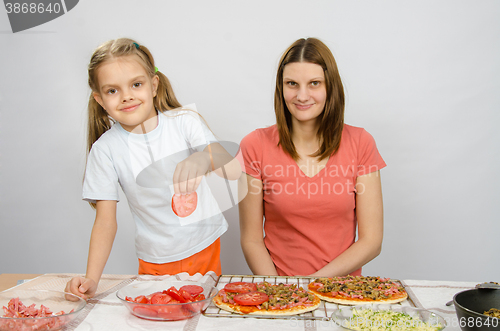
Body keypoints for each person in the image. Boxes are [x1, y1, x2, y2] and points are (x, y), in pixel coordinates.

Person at [66, 38, 240, 299]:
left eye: (136, 84)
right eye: (113, 91)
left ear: (153, 85)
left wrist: (203, 158)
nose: (127, 96)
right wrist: (92, 278)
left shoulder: (183, 122)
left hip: (204, 247)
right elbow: (105, 221)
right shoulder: (105, 150)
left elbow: (227, 163)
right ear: (100, 99)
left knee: (200, 313)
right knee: (157, 316)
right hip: (155, 260)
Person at [238, 37, 385, 277]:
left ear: (330, 87)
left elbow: (372, 241)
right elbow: (251, 240)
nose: (302, 96)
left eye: (314, 83)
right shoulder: (255, 146)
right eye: (292, 84)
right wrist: (280, 292)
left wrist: (311, 285)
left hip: (342, 295)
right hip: (279, 293)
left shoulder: (361, 143)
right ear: (281, 87)